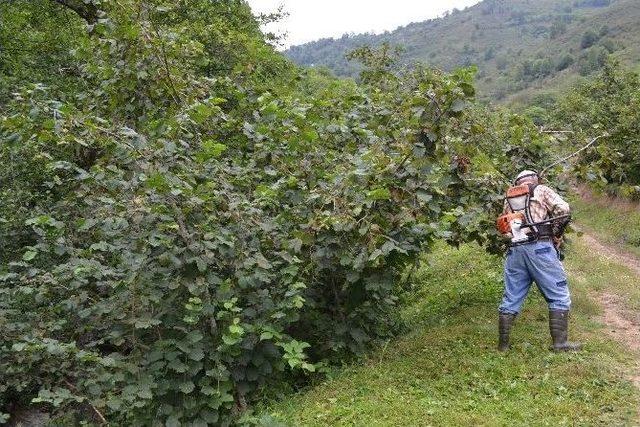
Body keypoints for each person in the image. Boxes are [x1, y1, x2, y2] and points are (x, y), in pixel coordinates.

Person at [498, 170, 581, 352]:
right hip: (540, 248)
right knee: (558, 295)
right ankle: (560, 344)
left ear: (518, 182)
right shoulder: (541, 189)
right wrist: (556, 232)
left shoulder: (509, 198)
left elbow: (505, 227)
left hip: (515, 251)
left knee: (511, 297)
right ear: (535, 180)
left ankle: (503, 346)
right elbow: (564, 209)